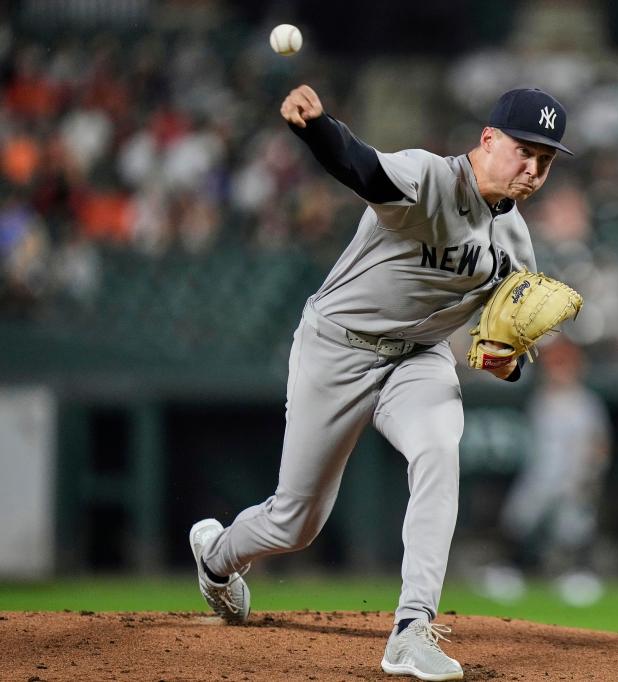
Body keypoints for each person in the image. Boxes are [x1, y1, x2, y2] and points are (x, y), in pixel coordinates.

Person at [188, 84, 573, 681]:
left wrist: (509, 361)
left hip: (418, 360)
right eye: (524, 150)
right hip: (337, 347)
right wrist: (316, 127)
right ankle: (216, 559)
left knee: (439, 449)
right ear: (489, 139)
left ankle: (411, 627)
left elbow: (510, 337)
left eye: (545, 160)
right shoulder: (428, 179)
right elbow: (360, 166)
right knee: (296, 522)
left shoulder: (515, 240)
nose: (533, 168)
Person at [484, 337, 612, 605]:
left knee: (573, 529)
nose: (558, 371)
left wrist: (591, 474)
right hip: (540, 475)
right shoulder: (541, 400)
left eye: (563, 365)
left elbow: (599, 444)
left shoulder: (586, 403)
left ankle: (577, 577)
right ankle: (505, 572)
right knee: (520, 520)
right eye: (554, 365)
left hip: (574, 475)